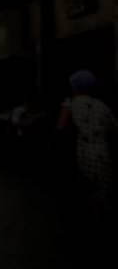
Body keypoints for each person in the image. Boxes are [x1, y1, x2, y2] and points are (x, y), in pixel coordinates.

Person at [57, 70, 116, 204]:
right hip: (103, 151)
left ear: (75, 86)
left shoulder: (70, 103)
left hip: (83, 151)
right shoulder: (102, 106)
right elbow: (113, 129)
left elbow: (60, 128)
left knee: (85, 191)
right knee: (103, 192)